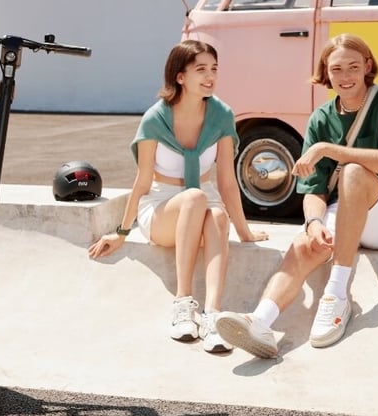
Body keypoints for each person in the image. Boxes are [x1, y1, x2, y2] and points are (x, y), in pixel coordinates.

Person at [215, 33, 378, 357]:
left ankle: (337, 294)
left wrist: (326, 148)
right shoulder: (322, 117)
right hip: (349, 211)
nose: (345, 76)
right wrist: (314, 221)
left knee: (354, 171)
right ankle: (261, 323)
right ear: (326, 72)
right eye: (337, 69)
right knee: (305, 242)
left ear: (368, 66)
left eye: (353, 67)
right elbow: (313, 190)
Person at [88, 40, 268, 354]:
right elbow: (142, 181)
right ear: (180, 76)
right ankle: (183, 304)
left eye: (214, 69)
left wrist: (244, 231)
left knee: (216, 213)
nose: (210, 76)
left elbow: (226, 181)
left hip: (203, 200)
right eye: (201, 69)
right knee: (195, 198)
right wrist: (121, 232)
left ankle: (212, 316)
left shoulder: (222, 115)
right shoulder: (156, 118)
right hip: (162, 207)